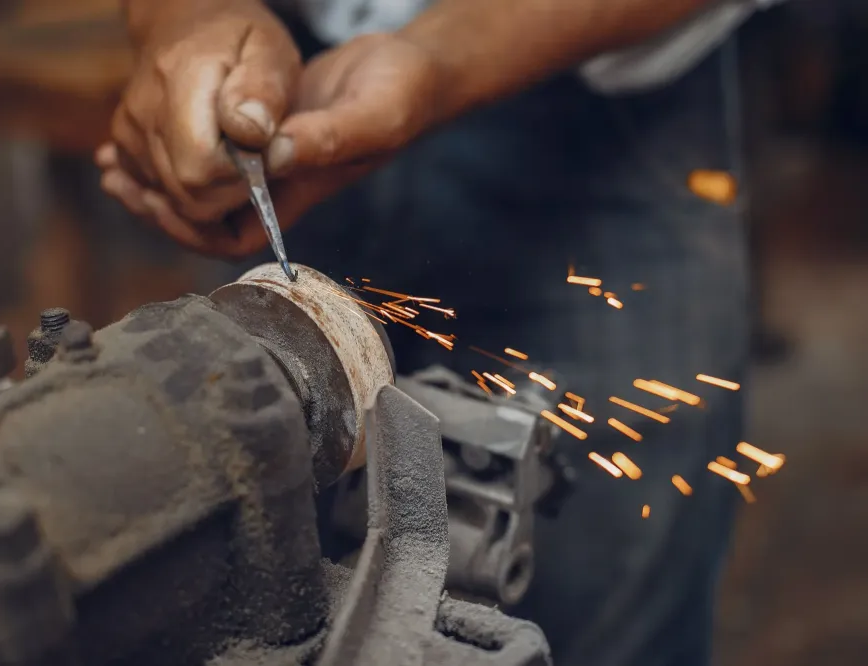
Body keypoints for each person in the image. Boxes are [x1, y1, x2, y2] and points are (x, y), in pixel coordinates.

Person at [98, 1, 782, 663]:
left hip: (602, 93)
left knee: (611, 593)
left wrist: (440, 59)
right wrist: (184, 17)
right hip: (285, 101)